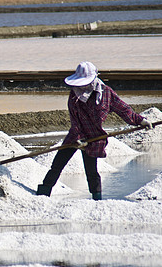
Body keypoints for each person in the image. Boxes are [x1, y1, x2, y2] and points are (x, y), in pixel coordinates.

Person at [36, 61, 152, 200]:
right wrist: (79, 139)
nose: (82, 86)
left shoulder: (106, 93)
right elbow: (74, 120)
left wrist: (140, 120)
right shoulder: (74, 95)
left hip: (95, 137)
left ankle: (97, 199)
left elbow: (124, 110)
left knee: (91, 171)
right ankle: (42, 194)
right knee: (57, 164)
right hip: (76, 135)